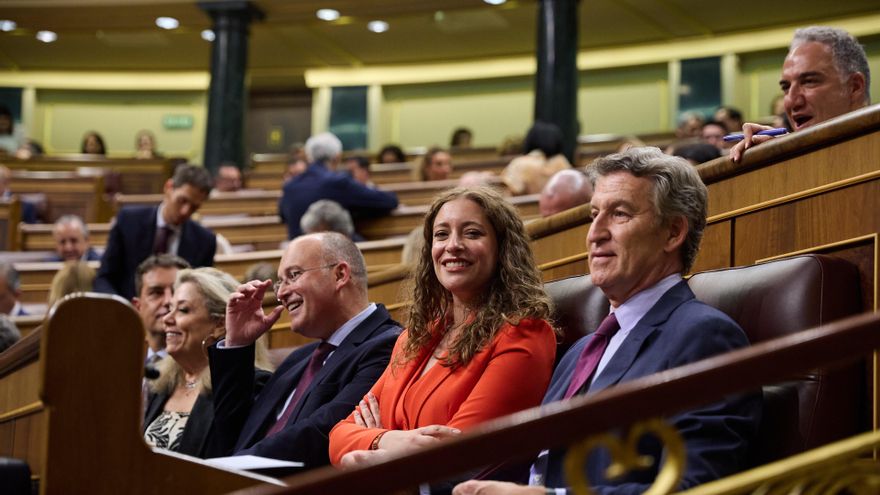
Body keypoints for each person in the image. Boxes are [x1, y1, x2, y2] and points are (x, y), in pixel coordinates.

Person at [454, 147, 761, 495]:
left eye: (619, 214)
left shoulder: (704, 337)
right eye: (594, 215)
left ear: (673, 232)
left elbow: (696, 487)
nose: (595, 234)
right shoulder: (581, 351)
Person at [328, 187, 556, 477]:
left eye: (472, 233)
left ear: (503, 248)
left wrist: (372, 444)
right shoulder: (415, 337)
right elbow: (338, 436)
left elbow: (456, 454)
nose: (453, 245)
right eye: (441, 234)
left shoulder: (524, 332)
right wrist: (387, 439)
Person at [207, 232, 402, 466]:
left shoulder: (388, 345)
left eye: (293, 275)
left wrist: (228, 468)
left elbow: (323, 432)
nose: (280, 293)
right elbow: (233, 435)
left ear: (340, 274)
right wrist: (238, 344)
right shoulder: (299, 359)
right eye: (281, 281)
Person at [144, 267, 271, 458]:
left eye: (183, 310)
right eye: (170, 309)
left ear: (220, 325)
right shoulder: (161, 382)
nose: (167, 319)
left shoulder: (247, 386)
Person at [731, 26, 870, 162]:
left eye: (809, 82)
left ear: (854, 87)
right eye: (786, 87)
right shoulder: (789, 161)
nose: (792, 101)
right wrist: (786, 157)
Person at [94, 164, 216, 299]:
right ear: (168, 187)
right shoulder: (128, 221)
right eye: (182, 201)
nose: (185, 211)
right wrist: (121, 309)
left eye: (194, 207)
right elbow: (104, 278)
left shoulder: (205, 241)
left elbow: (201, 294)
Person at [278, 132, 398, 239]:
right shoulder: (337, 182)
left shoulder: (289, 187)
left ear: (309, 158)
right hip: (332, 252)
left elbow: (282, 216)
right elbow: (387, 201)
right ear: (337, 157)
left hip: (297, 254)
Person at [133, 254, 191, 366]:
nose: (168, 300)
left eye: (176, 291)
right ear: (138, 306)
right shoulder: (119, 360)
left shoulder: (204, 366)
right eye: (156, 292)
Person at [501, 121, 572, 195]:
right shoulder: (562, 161)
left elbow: (511, 191)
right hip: (563, 206)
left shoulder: (520, 163)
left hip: (527, 206)